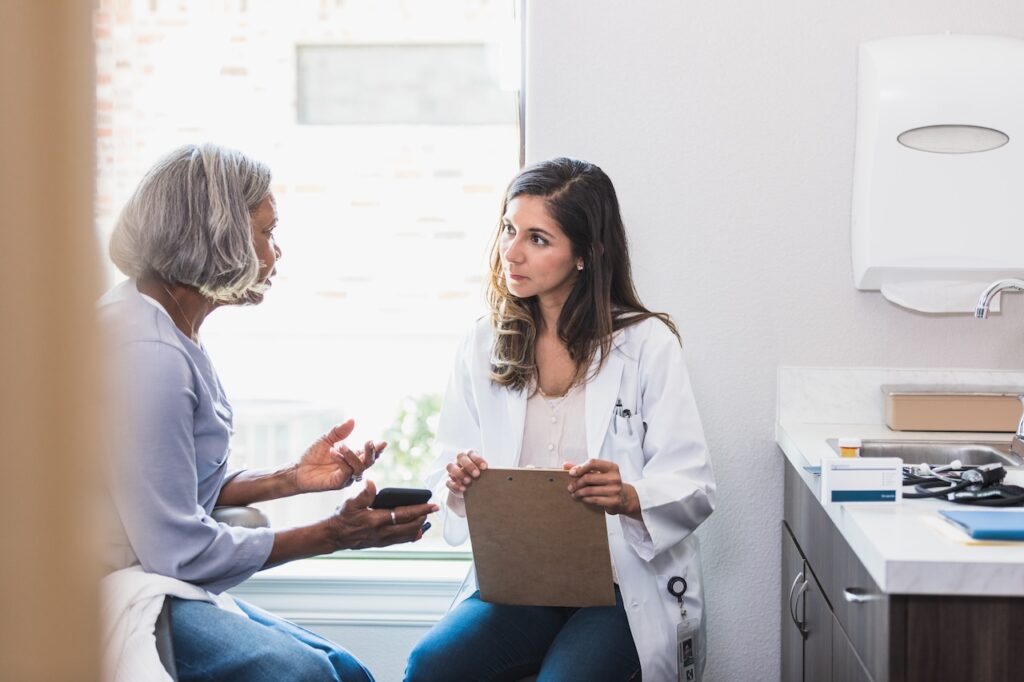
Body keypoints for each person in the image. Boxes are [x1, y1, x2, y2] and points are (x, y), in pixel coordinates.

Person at [101, 143, 437, 682]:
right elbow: (178, 552)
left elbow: (162, 488)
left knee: (346, 671)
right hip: (111, 589)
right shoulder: (149, 354)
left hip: (149, 572)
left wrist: (289, 480)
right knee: (308, 675)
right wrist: (335, 535)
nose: (276, 252)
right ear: (218, 235)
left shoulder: (168, 326)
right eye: (267, 232)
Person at [405, 158, 716, 681]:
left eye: (538, 239)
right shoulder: (483, 342)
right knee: (431, 665)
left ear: (587, 254)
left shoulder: (646, 346)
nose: (512, 251)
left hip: (619, 587)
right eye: (508, 229)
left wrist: (629, 496)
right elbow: (445, 475)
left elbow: (694, 484)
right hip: (519, 583)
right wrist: (459, 484)